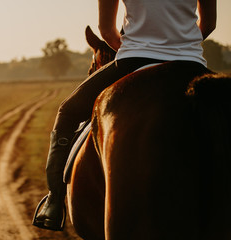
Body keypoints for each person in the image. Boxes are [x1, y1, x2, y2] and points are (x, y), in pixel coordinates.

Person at [33, 0, 217, 231]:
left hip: (135, 58)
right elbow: (208, 24)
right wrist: (179, 45)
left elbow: (107, 31)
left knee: (67, 112)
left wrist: (141, 46)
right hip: (191, 60)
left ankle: (53, 201)